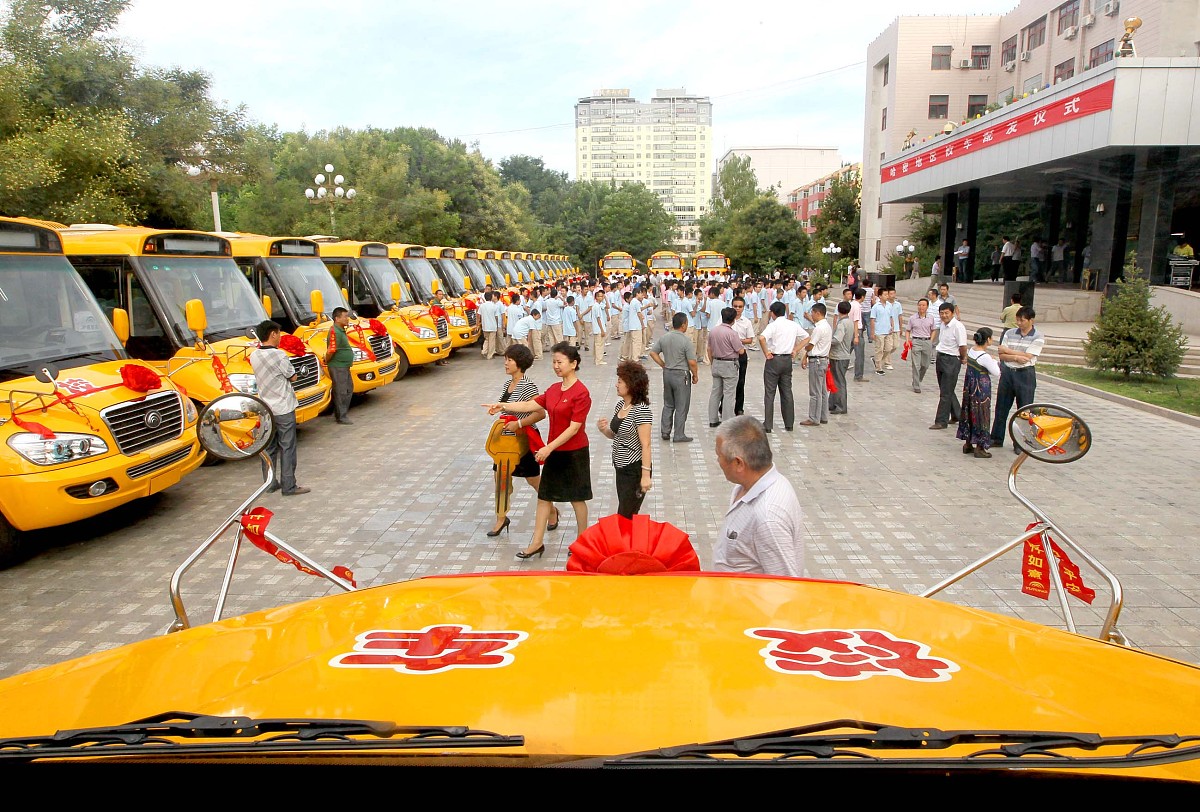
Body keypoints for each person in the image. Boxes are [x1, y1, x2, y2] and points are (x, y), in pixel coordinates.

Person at [483, 343, 592, 560]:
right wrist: (502, 406)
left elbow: (574, 428)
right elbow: (529, 405)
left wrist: (548, 447)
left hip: (573, 452)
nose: (556, 366)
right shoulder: (553, 390)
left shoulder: (581, 393)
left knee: (576, 499)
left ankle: (582, 540)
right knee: (544, 497)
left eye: (560, 362)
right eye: (554, 362)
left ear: (574, 364)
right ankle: (536, 543)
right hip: (552, 450)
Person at [713, 415, 805, 577]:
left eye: (719, 455)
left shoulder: (768, 518)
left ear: (738, 463)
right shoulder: (746, 486)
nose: (718, 461)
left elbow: (786, 585)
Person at [485, 344, 546, 537]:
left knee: (533, 480)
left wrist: (519, 424)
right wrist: (500, 409)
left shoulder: (528, 386)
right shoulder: (507, 384)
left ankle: (552, 512)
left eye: (509, 360)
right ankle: (501, 518)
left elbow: (540, 413)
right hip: (505, 444)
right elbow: (510, 407)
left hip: (523, 441)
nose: (505, 363)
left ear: (519, 364)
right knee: (500, 479)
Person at [250, 319, 309, 496]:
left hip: (265, 409)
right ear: (273, 334)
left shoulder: (254, 355)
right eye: (279, 334)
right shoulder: (280, 355)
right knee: (287, 446)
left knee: (269, 448)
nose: (280, 338)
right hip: (283, 406)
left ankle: (269, 483)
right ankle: (289, 485)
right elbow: (292, 377)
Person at [596, 361, 653, 519]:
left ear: (631, 385)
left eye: (620, 381)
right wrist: (604, 430)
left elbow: (646, 445)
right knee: (626, 510)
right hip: (620, 467)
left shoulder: (641, 410)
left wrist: (645, 476)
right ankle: (627, 541)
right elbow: (616, 435)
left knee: (626, 514)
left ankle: (626, 542)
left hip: (634, 469)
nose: (616, 385)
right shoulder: (621, 405)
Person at [990, 306, 1044, 453]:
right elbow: (1001, 354)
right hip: (1007, 373)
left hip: (1025, 375)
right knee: (1001, 407)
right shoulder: (1009, 332)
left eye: (1022, 320)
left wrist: (1009, 352)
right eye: (1018, 320)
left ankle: (1020, 443)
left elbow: (1028, 357)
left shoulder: (1038, 336)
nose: (1019, 323)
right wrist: (1015, 356)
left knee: (1024, 410)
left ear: (1031, 320)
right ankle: (996, 437)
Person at [648, 312, 698, 442]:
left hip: (668, 373)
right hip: (681, 375)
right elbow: (692, 362)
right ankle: (679, 434)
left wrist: (663, 365)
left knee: (668, 404)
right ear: (683, 325)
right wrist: (695, 375)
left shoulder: (665, 337)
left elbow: (653, 353)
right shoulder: (685, 340)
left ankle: (665, 431)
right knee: (682, 405)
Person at [758, 301, 808, 433]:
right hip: (787, 360)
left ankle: (768, 424)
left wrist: (766, 352)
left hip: (774, 359)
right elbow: (807, 337)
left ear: (773, 313)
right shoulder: (792, 324)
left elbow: (762, 338)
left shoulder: (773, 325)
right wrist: (796, 349)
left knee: (770, 393)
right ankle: (789, 423)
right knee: (787, 392)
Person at [958, 327, 1001, 459]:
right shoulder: (985, 356)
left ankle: (968, 443)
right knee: (982, 415)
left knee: (969, 412)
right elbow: (997, 372)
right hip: (981, 391)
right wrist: (994, 361)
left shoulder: (971, 350)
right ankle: (980, 447)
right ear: (987, 339)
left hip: (970, 388)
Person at [930, 302, 968, 430]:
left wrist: (963, 358)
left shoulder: (958, 326)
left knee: (945, 392)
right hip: (941, 357)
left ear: (952, 313)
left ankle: (941, 421)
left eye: (946, 313)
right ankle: (957, 414)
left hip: (952, 360)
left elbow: (962, 346)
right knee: (946, 389)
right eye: (942, 313)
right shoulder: (942, 324)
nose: (944, 315)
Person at [707, 306, 744, 427]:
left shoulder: (713, 331)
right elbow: (740, 350)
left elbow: (709, 348)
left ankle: (712, 419)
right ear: (733, 319)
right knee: (729, 394)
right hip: (729, 364)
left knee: (715, 392)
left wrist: (712, 362)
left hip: (716, 362)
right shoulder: (732, 333)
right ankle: (727, 421)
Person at [798, 301, 831, 427]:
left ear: (818, 313)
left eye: (813, 313)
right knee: (822, 390)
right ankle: (823, 415)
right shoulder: (827, 326)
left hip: (817, 360)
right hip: (823, 359)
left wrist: (804, 350)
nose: (812, 315)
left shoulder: (819, 328)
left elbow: (811, 345)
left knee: (815, 391)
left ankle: (814, 417)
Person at [327, 306, 355, 425]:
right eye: (345, 316)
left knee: (348, 388)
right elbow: (331, 350)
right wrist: (327, 360)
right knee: (341, 391)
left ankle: (339, 412)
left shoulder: (340, 330)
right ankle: (341, 416)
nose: (347, 319)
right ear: (337, 318)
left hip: (344, 365)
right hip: (338, 366)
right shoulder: (334, 331)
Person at [729, 296, 756, 416]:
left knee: (740, 381)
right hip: (728, 354)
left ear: (743, 308)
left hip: (741, 353)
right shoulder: (725, 319)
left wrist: (738, 341)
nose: (737, 309)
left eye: (740, 307)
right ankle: (723, 406)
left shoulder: (746, 322)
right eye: (735, 306)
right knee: (727, 382)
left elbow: (750, 339)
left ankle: (739, 407)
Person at [904, 297, 937, 394]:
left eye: (923, 305)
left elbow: (934, 330)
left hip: (927, 341)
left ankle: (918, 379)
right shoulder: (912, 318)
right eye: (919, 305)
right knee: (916, 364)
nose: (921, 307)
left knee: (925, 365)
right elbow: (908, 330)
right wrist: (907, 340)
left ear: (927, 307)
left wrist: (931, 340)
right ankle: (916, 385)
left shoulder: (931, 318)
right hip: (916, 341)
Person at [827, 300, 853, 414]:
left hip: (839, 356)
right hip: (843, 355)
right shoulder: (850, 322)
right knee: (835, 380)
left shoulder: (842, 324)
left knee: (839, 381)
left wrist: (827, 341)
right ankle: (832, 403)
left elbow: (837, 339)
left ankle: (841, 406)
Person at [480, 291, 503, 359]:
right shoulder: (494, 306)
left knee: (486, 339)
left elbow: (478, 314)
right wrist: (496, 324)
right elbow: (496, 317)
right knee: (492, 341)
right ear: (491, 297)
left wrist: (478, 323)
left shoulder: (482, 306)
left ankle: (484, 351)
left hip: (485, 326)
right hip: (492, 326)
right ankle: (490, 355)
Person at [589, 289, 608, 365]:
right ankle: (599, 360)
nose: (602, 297)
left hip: (597, 328)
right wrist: (602, 330)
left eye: (602, 296)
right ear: (596, 297)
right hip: (598, 329)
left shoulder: (597, 306)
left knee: (597, 344)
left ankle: (597, 358)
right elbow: (598, 318)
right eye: (600, 296)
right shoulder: (596, 306)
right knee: (599, 345)